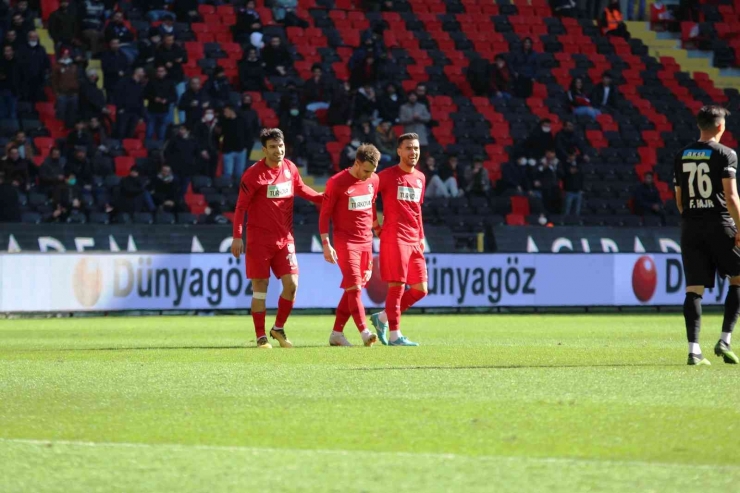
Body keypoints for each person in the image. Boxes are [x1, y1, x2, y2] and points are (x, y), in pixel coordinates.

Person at [230, 128, 323, 349]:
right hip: (259, 241)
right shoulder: (253, 175)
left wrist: (324, 198)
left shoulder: (290, 168)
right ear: (264, 150)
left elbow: (302, 189)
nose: (278, 150)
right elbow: (241, 207)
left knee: (292, 284)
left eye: (280, 146)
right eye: (272, 147)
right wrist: (237, 236)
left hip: (285, 239)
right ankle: (261, 335)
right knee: (260, 288)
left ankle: (278, 328)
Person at [673, 105, 740, 366]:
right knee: (737, 279)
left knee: (693, 289)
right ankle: (724, 340)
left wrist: (692, 217)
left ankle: (694, 350)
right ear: (721, 126)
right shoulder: (726, 154)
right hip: (720, 223)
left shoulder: (681, 155)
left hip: (690, 226)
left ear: (699, 125)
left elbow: (679, 200)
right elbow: (732, 198)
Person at [319, 144, 381, 347]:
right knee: (354, 287)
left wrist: (376, 228)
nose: (369, 175)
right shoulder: (336, 183)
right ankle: (365, 332)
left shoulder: (373, 179)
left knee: (351, 290)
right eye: (366, 170)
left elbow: (370, 206)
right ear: (356, 163)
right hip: (345, 242)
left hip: (366, 242)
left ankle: (336, 334)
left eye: (372, 171)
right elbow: (324, 214)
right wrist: (326, 243)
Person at [369, 133, 427, 346]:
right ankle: (395, 336)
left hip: (414, 239)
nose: (413, 152)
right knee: (397, 287)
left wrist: (421, 235)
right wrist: (376, 226)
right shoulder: (386, 176)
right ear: (399, 151)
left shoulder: (420, 178)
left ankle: (382, 317)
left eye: (416, 148)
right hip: (395, 238)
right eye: (409, 148)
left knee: (421, 289)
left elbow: (417, 209)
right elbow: (369, 197)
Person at [145, 65, 177, 141]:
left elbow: (174, 97)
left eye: (161, 71)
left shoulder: (170, 83)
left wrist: (166, 100)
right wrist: (154, 98)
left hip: (164, 110)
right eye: (158, 71)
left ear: (165, 72)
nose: (160, 73)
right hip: (152, 110)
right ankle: (147, 146)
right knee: (149, 131)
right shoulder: (151, 82)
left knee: (162, 132)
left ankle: (160, 148)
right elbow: (145, 94)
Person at [219, 104, 249, 179]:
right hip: (228, 151)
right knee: (227, 174)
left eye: (226, 111)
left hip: (240, 150)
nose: (224, 113)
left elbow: (248, 134)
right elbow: (220, 134)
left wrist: (245, 146)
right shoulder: (223, 121)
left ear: (231, 111)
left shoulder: (242, 121)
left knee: (239, 174)